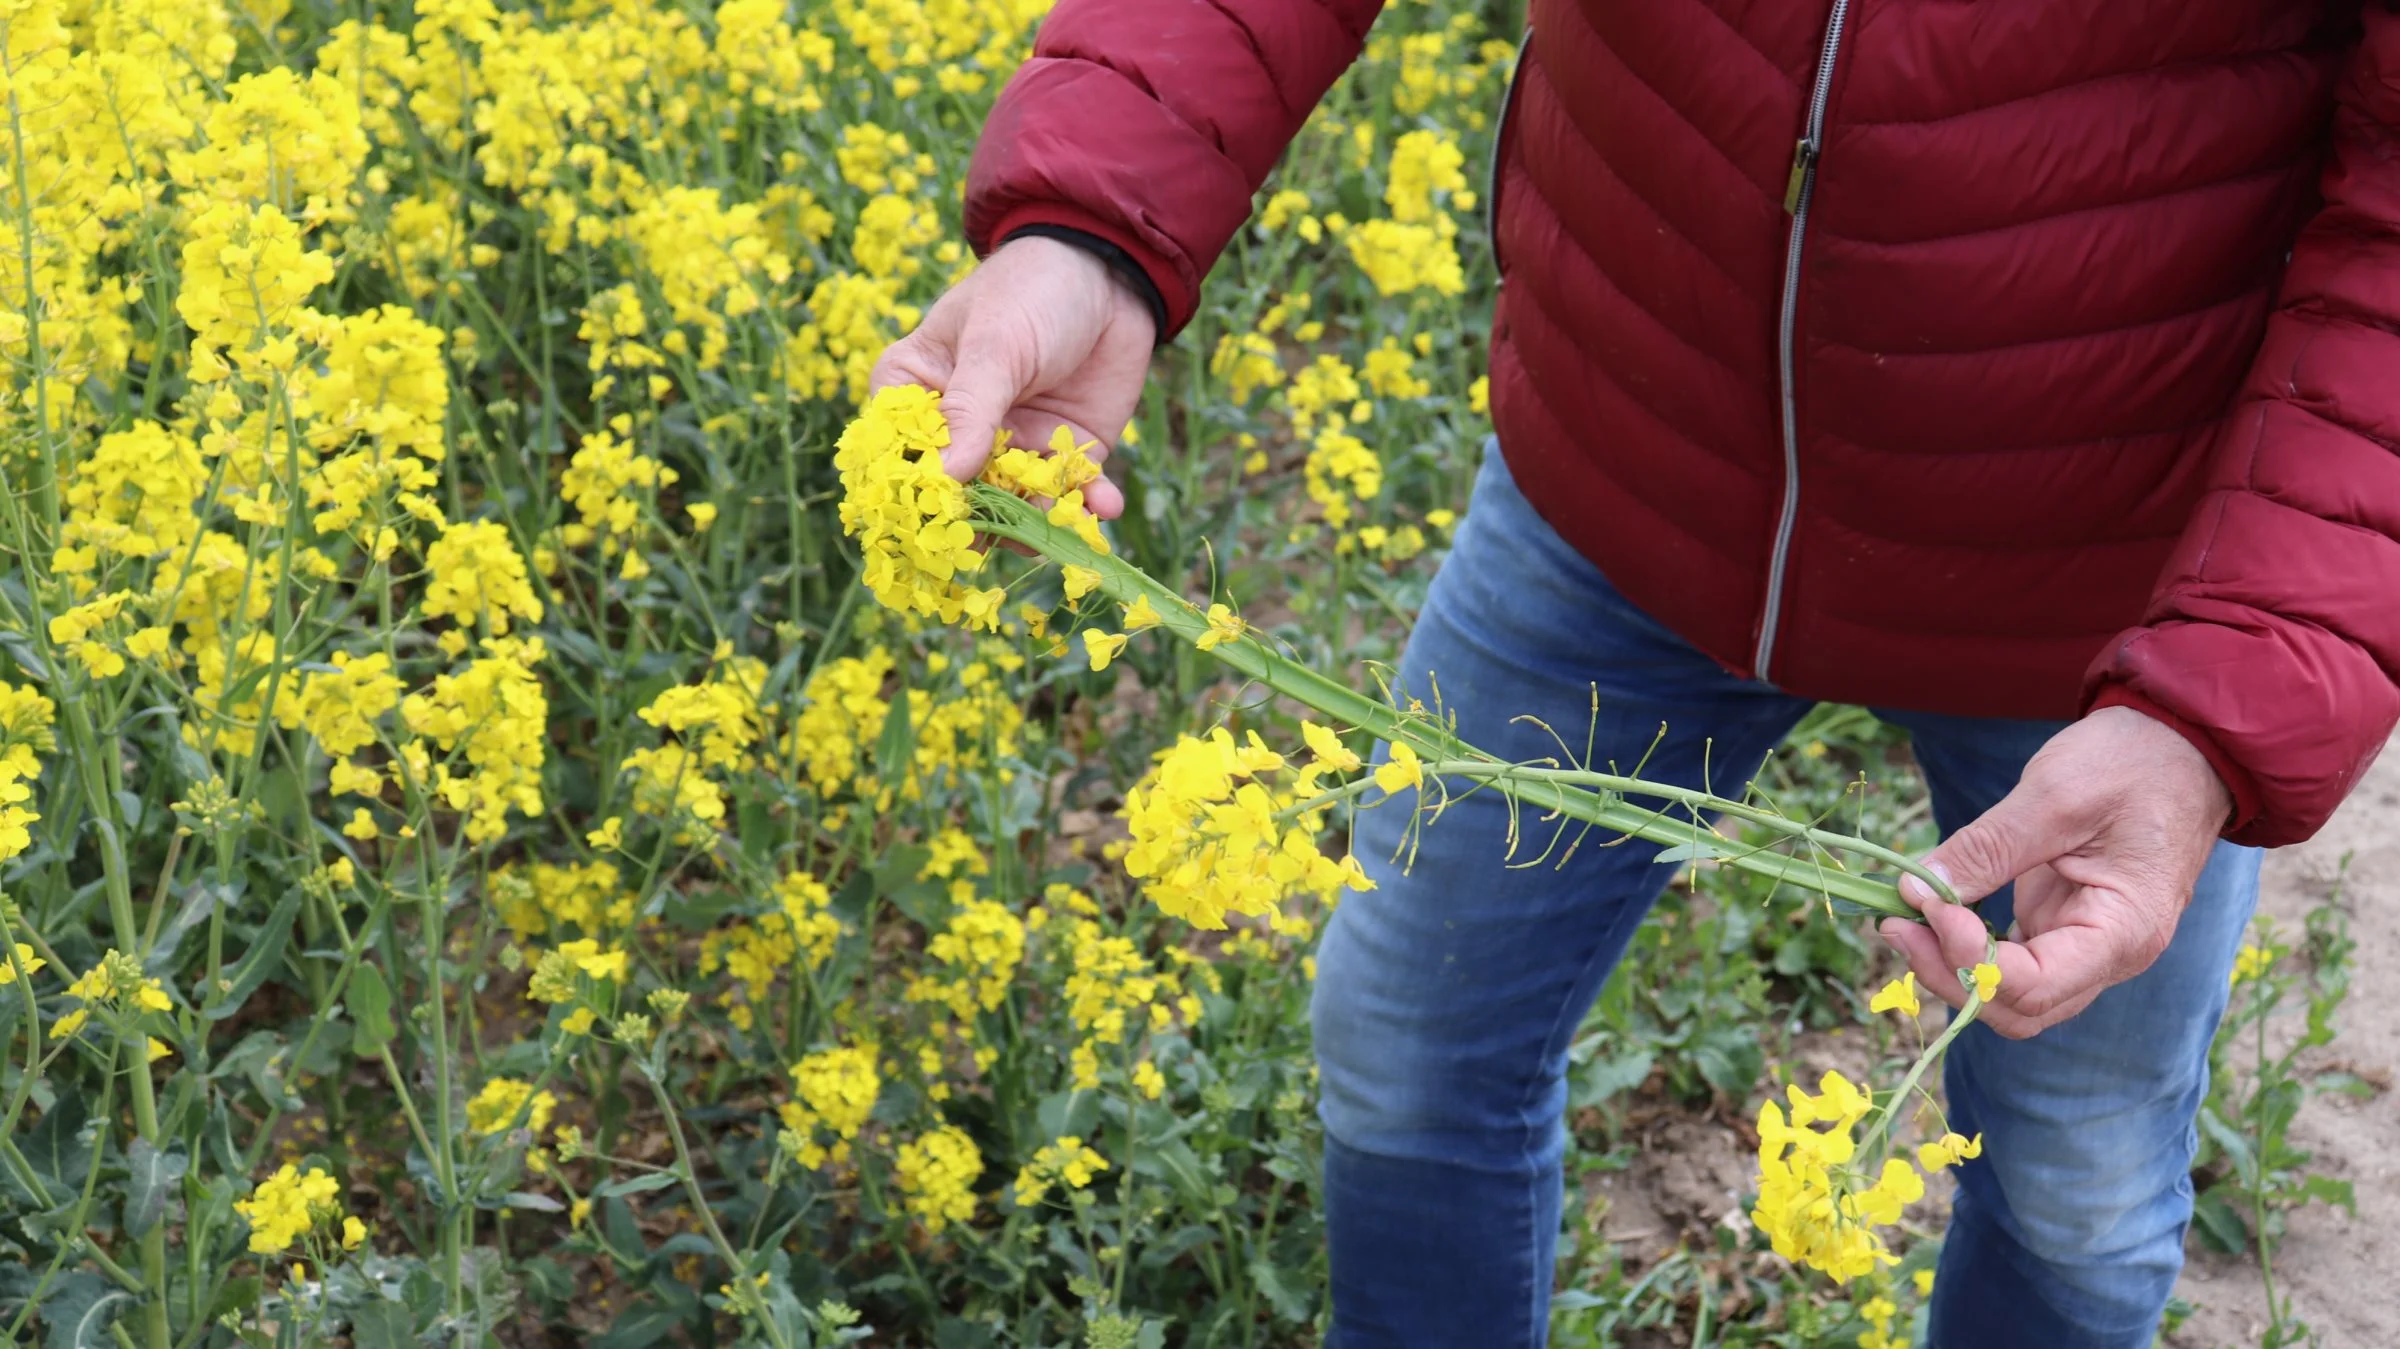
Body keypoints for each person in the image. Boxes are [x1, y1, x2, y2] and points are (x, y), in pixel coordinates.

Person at [868, 4, 2400, 1346]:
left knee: (2076, 1185)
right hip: (1622, 468)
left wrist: (2213, 706)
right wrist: (1092, 223)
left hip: (2113, 609)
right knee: (1409, 1043)